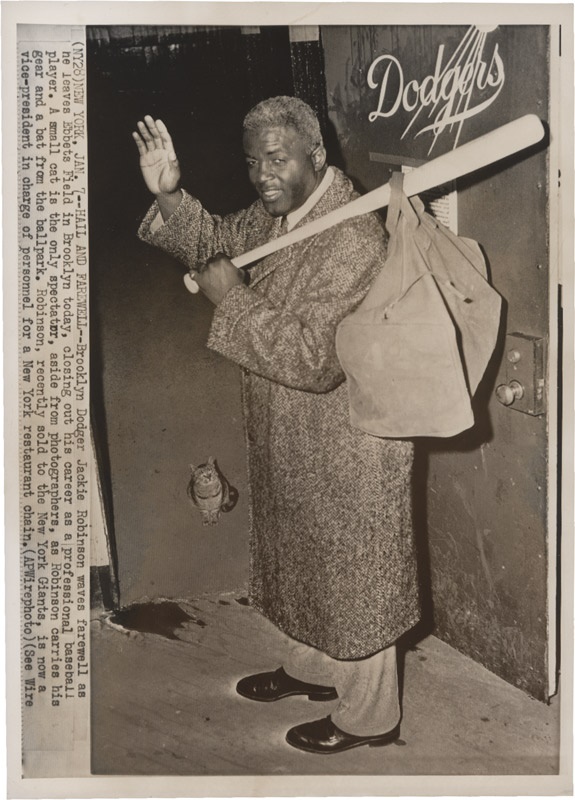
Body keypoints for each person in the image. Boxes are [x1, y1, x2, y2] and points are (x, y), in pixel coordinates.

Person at [134, 96, 420, 755]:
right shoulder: (280, 214)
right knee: (302, 556)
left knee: (355, 578)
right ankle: (314, 673)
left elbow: (316, 360)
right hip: (294, 432)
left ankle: (370, 719)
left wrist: (229, 297)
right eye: (251, 160)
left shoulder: (354, 241)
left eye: (277, 157)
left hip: (351, 440)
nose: (261, 173)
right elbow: (214, 245)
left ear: (315, 156)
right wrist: (172, 196)